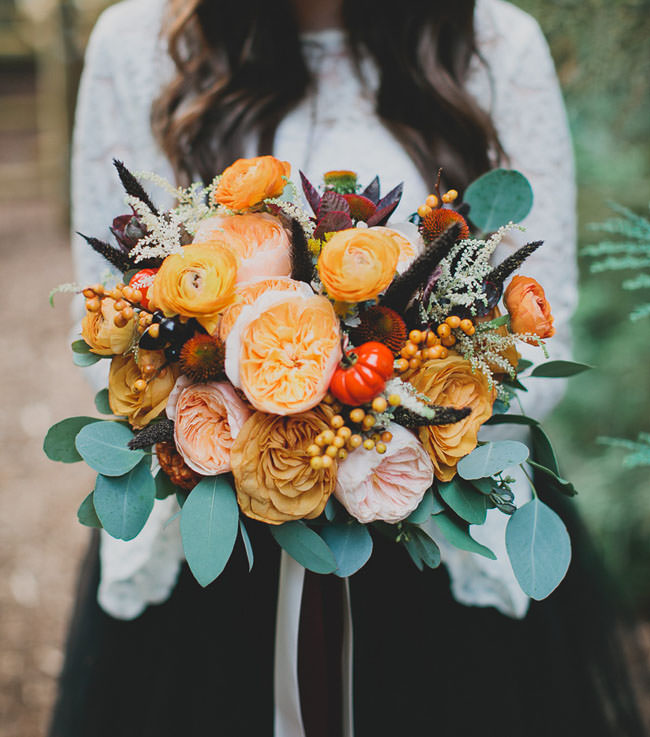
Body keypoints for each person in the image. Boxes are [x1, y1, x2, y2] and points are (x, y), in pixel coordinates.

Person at [49, 0, 647, 735]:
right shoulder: (136, 44)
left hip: (434, 537)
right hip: (211, 551)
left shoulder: (496, 44)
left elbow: (540, 319)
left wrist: (387, 439)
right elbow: (109, 317)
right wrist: (247, 431)